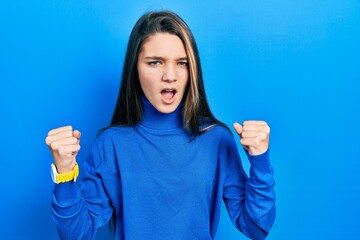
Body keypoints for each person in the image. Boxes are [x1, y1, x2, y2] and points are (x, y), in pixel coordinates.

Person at [45, 10, 275, 240]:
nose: (170, 75)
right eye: (155, 62)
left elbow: (256, 227)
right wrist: (64, 174)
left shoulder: (216, 140)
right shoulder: (111, 145)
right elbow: (77, 234)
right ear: (135, 69)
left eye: (182, 63)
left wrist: (261, 160)